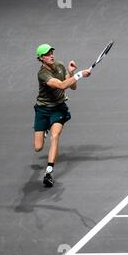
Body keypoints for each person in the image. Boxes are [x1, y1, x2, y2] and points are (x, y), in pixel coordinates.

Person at [33, 43, 91, 188]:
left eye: (51, 52)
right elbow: (61, 86)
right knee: (38, 147)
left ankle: (49, 171)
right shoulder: (42, 74)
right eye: (47, 54)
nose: (51, 55)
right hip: (43, 110)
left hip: (59, 108)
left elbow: (72, 86)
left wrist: (71, 73)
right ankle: (45, 127)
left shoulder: (59, 66)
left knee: (55, 136)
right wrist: (79, 74)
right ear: (41, 58)